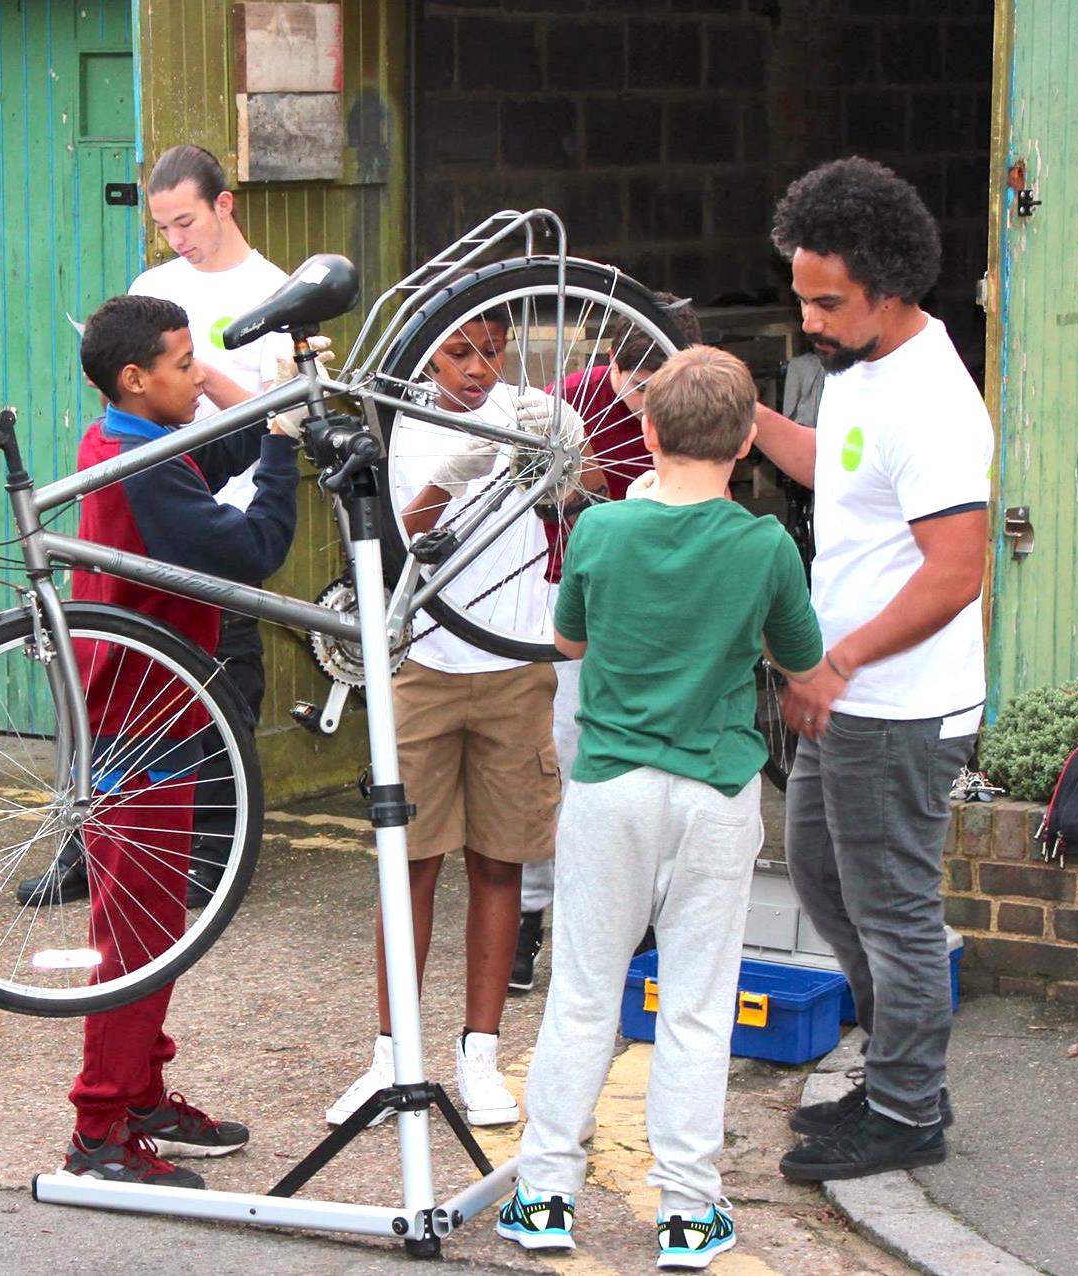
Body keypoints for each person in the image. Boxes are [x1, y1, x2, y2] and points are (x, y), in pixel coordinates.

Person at [495, 347, 823, 1268]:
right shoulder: (764, 544)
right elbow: (799, 664)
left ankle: (545, 1196)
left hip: (609, 788)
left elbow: (568, 639)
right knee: (694, 1004)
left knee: (583, 995)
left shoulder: (597, 532)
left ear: (643, 432)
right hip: (714, 791)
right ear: (750, 441)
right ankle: (687, 1210)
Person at [752, 158, 990, 1182]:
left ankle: (904, 1110)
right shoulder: (863, 373)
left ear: (887, 290)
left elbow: (955, 572)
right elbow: (837, 472)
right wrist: (741, 416)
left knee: (892, 910)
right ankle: (900, 1071)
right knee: (818, 876)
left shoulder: (930, 402)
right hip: (845, 698)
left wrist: (834, 661)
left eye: (824, 300)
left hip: (892, 706)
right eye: (798, 293)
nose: (805, 317)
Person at [15, 143, 296, 909]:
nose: (176, 237)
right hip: (165, 498)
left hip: (209, 493)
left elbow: (231, 425)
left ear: (223, 204)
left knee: (220, 696)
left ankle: (212, 855)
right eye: (163, 224)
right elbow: (253, 541)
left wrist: (258, 418)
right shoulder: (154, 295)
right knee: (126, 715)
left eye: (185, 220)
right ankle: (98, 852)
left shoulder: (275, 296)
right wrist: (269, 430)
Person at [59, 294, 299, 1189]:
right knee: (133, 935)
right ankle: (99, 1126)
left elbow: (214, 447)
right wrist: (282, 449)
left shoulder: (125, 438)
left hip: (156, 708)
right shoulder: (140, 464)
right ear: (135, 378)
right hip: (138, 719)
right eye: (184, 361)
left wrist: (261, 417)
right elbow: (253, 547)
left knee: (155, 924)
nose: (198, 374)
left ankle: (142, 1091)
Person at [324, 313, 572, 1129]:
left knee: (500, 864)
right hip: (426, 664)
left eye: (492, 351)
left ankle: (481, 1055)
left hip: (513, 661)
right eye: (460, 352)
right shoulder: (395, 424)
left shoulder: (523, 409)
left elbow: (586, 489)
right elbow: (401, 536)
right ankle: (390, 1056)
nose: (478, 369)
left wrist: (565, 447)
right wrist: (456, 473)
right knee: (412, 867)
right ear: (428, 350)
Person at [513, 295, 706, 994]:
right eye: (637, 387)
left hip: (653, 610)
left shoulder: (693, 417)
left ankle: (635, 921)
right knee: (557, 765)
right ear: (611, 366)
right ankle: (530, 918)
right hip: (567, 599)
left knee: (640, 770)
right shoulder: (570, 400)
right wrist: (573, 475)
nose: (647, 407)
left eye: (662, 391)